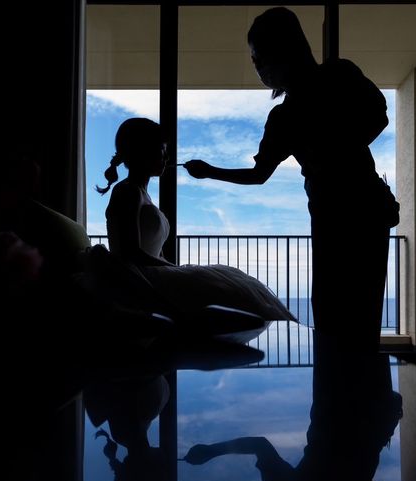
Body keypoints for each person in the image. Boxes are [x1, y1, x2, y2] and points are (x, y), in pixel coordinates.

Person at [183, 7, 399, 351]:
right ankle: (361, 382)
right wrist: (341, 149)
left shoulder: (286, 115)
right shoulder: (337, 76)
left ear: (280, 50)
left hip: (337, 212)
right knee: (359, 309)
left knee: (333, 309)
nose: (256, 65)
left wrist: (210, 171)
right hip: (363, 209)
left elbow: (258, 175)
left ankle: (339, 383)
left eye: (258, 56)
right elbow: (379, 115)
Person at [183, 334, 403, 481]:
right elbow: (260, 445)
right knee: (337, 335)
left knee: (364, 337)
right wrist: (210, 451)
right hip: (332, 412)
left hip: (373, 420)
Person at [94, 117, 295, 331]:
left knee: (231, 288)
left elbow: (155, 252)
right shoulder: (127, 191)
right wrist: (175, 269)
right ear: (144, 152)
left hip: (148, 273)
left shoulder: (143, 195)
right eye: (162, 150)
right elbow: (131, 253)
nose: (167, 157)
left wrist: (174, 268)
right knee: (226, 290)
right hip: (136, 278)